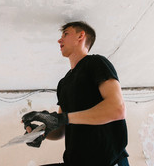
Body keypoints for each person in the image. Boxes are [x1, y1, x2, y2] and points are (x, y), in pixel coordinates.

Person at [22, 21, 129, 166]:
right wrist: (42, 132)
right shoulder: (63, 83)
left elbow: (117, 109)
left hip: (107, 161)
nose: (60, 40)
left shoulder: (96, 63)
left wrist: (64, 118)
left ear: (81, 36)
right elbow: (61, 130)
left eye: (65, 34)